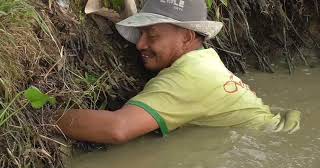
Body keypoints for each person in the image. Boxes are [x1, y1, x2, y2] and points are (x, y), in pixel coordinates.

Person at [56, 0, 301, 144]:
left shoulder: (187, 77)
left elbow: (117, 129)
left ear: (186, 37)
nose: (140, 45)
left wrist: (43, 119)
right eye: (140, 34)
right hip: (284, 132)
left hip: (273, 141)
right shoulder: (205, 60)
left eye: (151, 34)